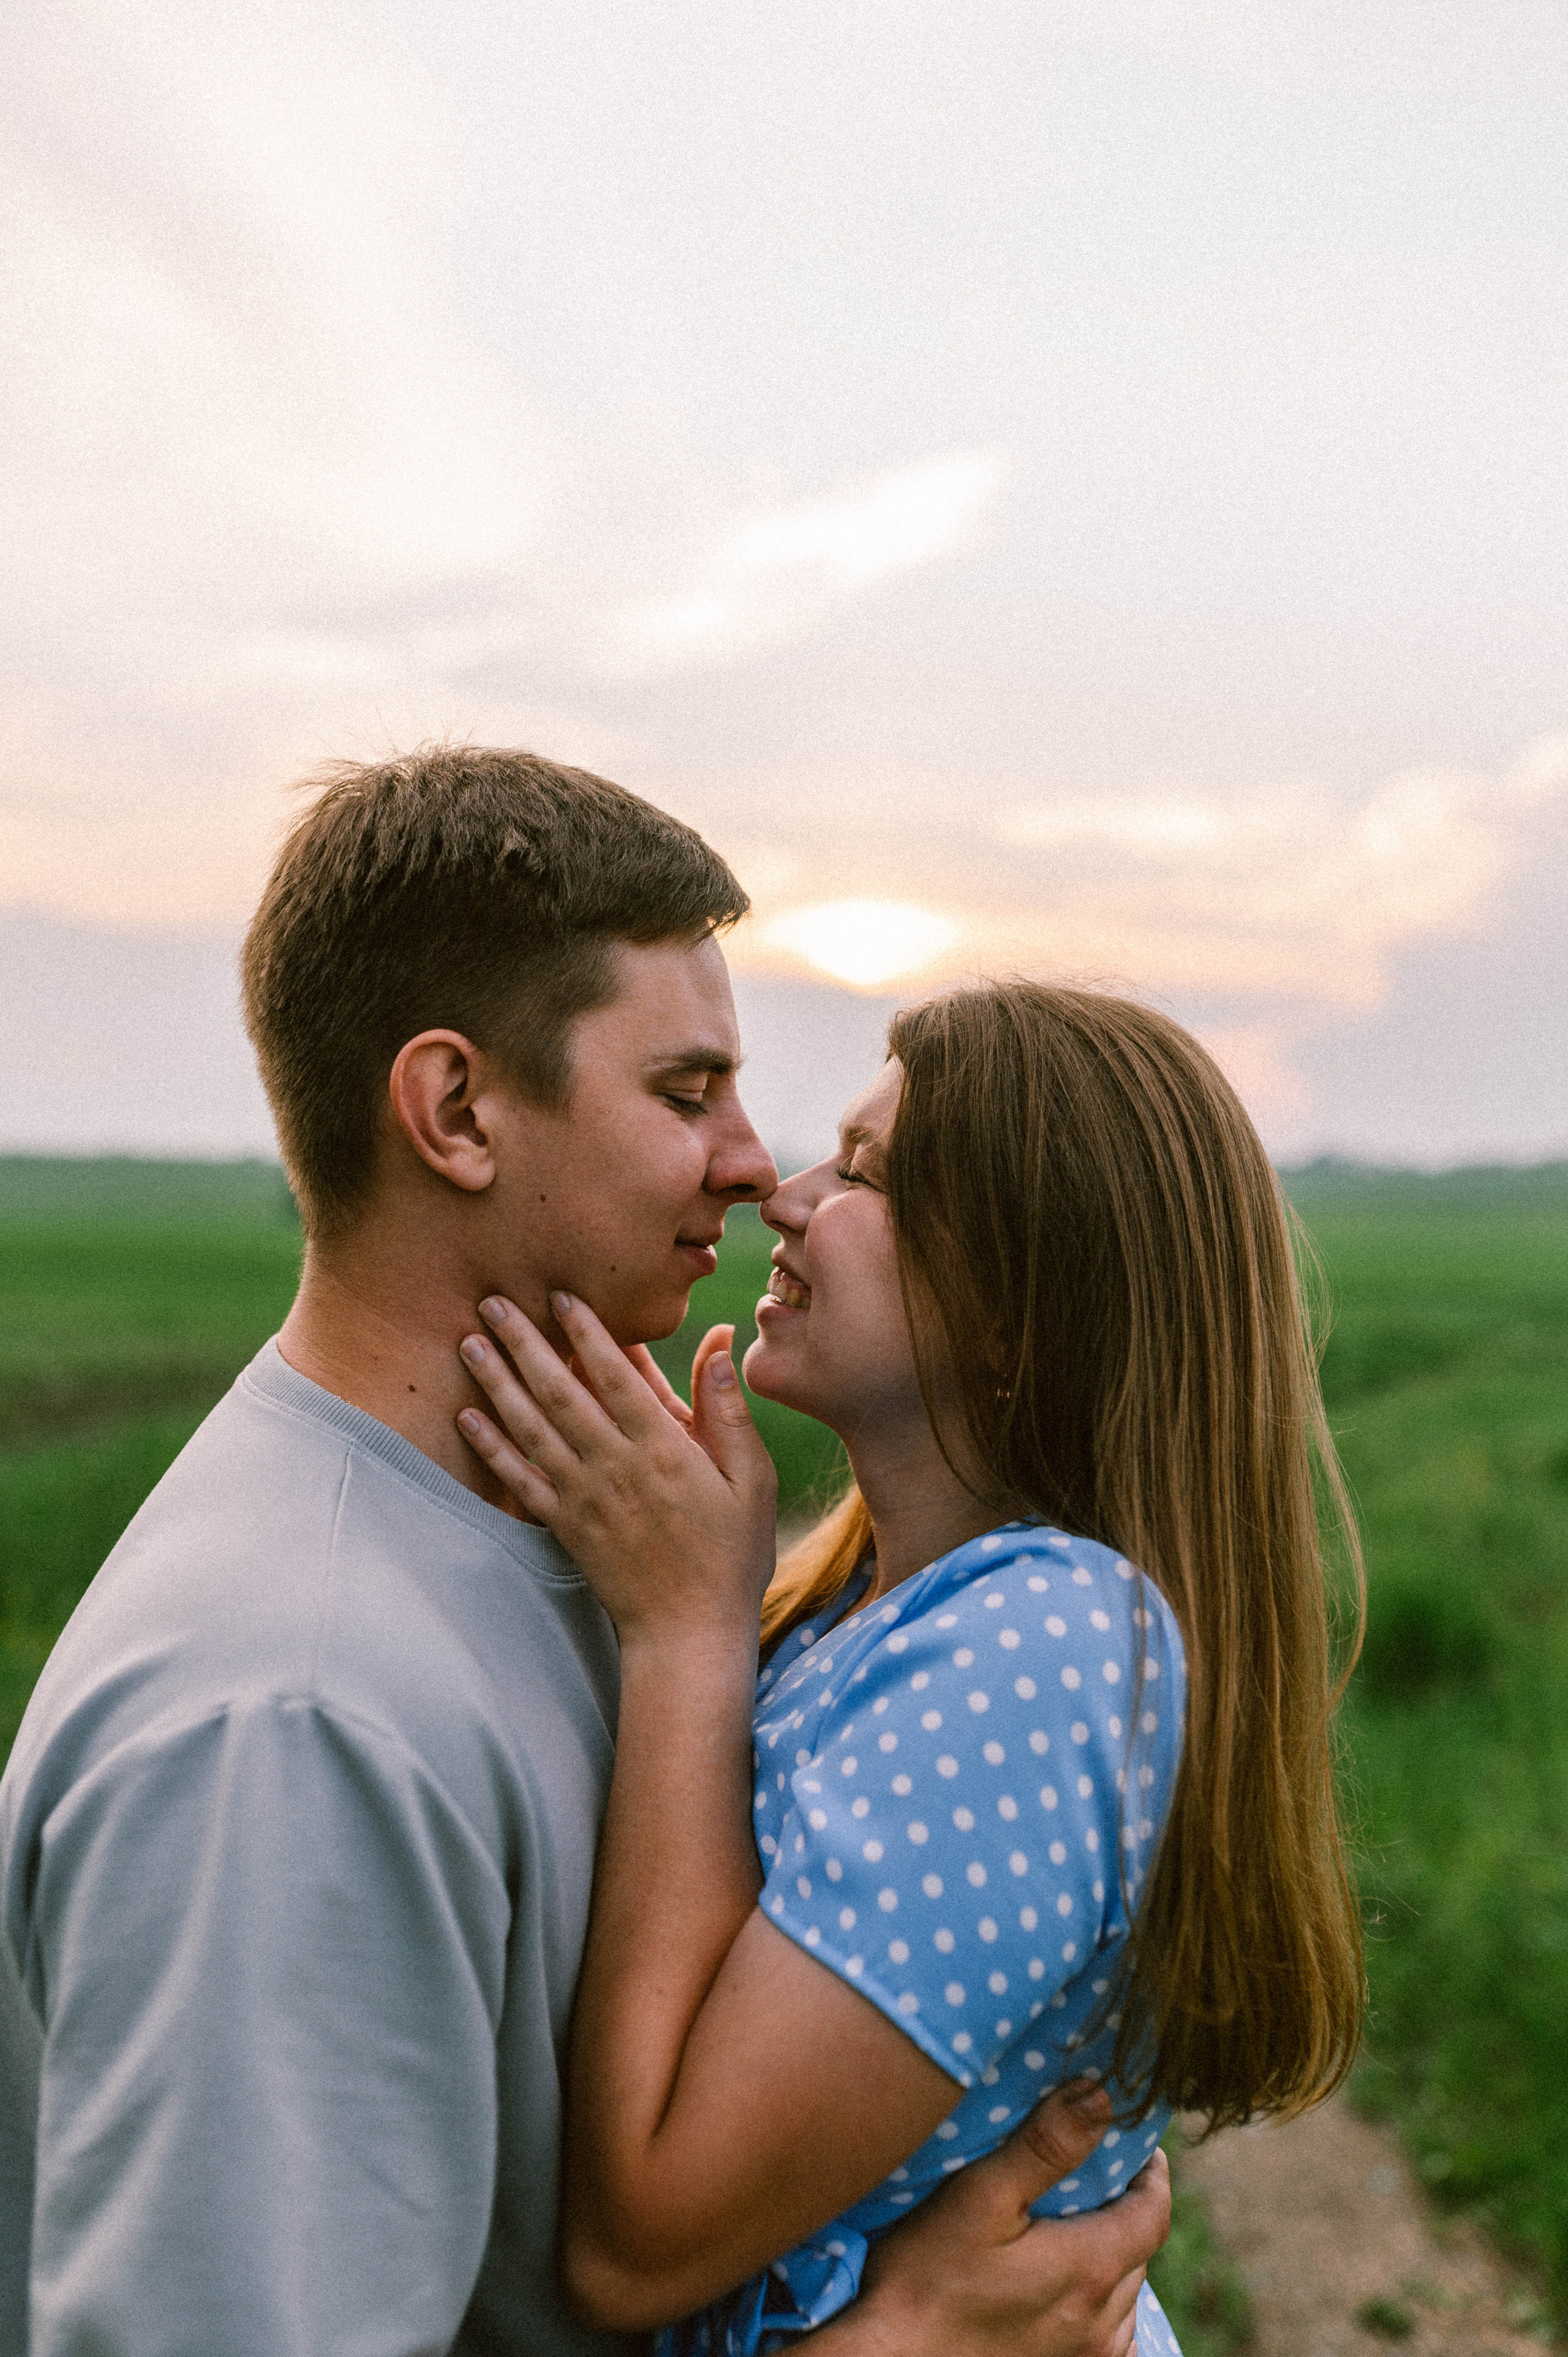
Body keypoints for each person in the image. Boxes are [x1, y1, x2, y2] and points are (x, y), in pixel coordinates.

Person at [0, 747, 1169, 2357]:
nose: (759, 1167)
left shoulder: (580, 1543)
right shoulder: (286, 1720)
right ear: (459, 1112)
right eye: (686, 1094)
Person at [454, 981, 1368, 2355]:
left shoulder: (1040, 1645)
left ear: (1019, 1299)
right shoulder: (870, 1607)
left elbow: (641, 2239)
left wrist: (687, 1630)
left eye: (868, 1171)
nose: (789, 1195)